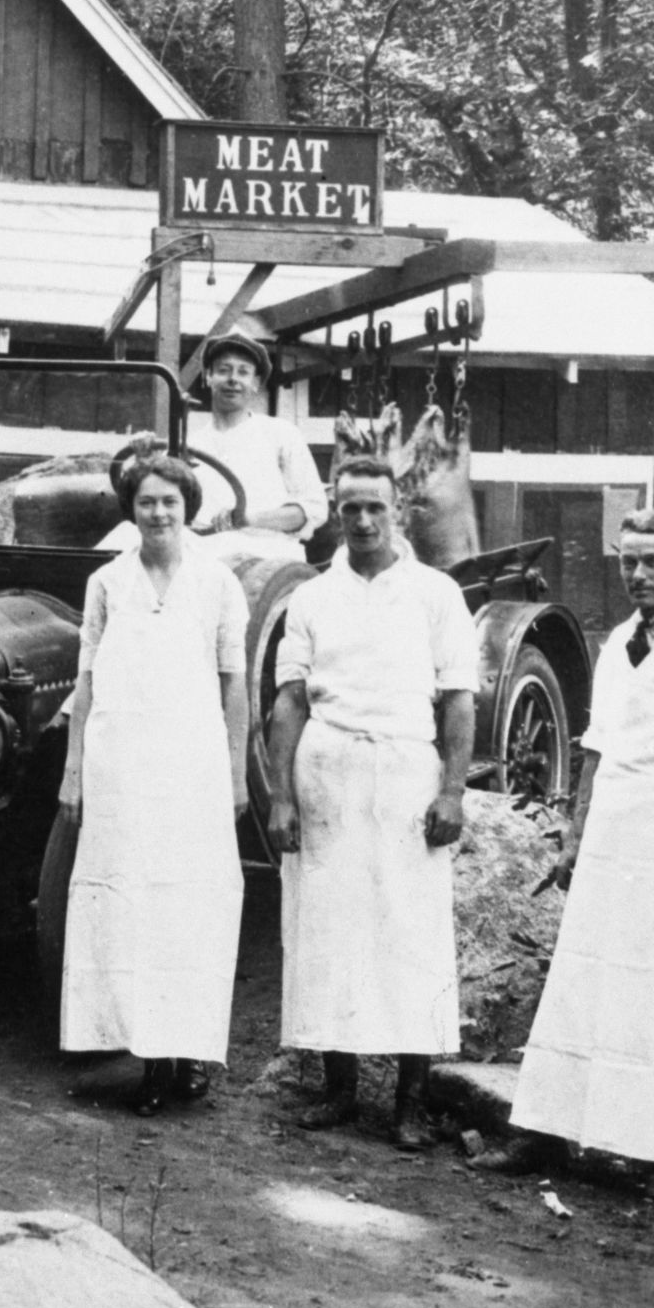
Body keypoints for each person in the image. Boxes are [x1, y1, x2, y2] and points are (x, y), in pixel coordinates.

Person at [474, 507, 654, 1181]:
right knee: (584, 984)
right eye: (627, 560)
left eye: (651, 560)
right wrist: (575, 833)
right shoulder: (618, 643)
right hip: (608, 846)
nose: (636, 574)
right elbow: (595, 749)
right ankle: (547, 1132)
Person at [261, 455, 476, 1150]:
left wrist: (451, 790)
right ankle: (338, 1090)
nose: (361, 520)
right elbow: (288, 703)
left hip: (406, 772)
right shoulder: (311, 598)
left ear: (397, 509)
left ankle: (408, 1104)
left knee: (407, 933)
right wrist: (282, 798)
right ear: (333, 509)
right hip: (328, 771)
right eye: (349, 507)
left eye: (374, 507)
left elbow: (458, 702)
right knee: (330, 928)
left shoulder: (436, 593)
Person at [54, 450, 251, 1115]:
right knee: (128, 905)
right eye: (146, 502)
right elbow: (84, 683)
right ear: (131, 511)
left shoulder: (218, 583)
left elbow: (234, 685)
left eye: (169, 501)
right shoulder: (107, 583)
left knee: (186, 905)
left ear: (186, 508)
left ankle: (185, 1055)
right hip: (121, 768)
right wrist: (74, 769)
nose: (158, 512)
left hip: (189, 767)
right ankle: (145, 1056)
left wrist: (231, 774)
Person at [187, 326, 327, 563]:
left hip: (271, 563)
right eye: (223, 370)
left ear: (256, 383)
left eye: (243, 372)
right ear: (207, 377)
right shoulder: (191, 444)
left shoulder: (282, 434)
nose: (233, 379)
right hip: (206, 563)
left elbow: (314, 510)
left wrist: (249, 519)